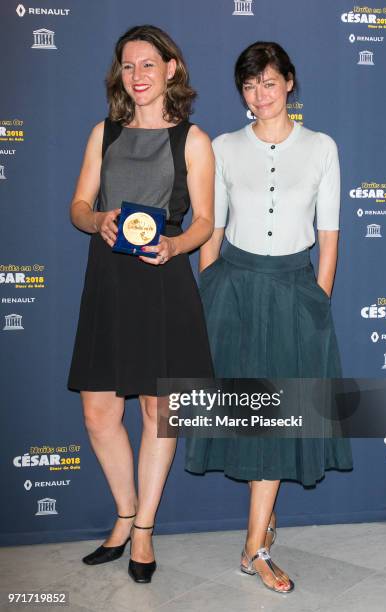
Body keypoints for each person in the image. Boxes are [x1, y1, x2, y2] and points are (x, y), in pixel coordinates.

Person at [185, 41, 353, 594]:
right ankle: (259, 536)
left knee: (280, 418)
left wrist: (316, 300)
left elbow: (328, 238)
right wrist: (210, 289)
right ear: (243, 93)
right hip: (233, 290)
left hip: (294, 292)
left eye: (270, 82)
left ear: (290, 83)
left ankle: (254, 544)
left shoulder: (322, 147)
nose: (261, 94)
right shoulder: (224, 147)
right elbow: (211, 227)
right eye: (250, 86)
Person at [68, 24, 214, 584]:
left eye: (148, 64)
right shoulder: (102, 133)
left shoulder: (193, 140)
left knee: (159, 411)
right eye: (128, 66)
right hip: (108, 280)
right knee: (99, 411)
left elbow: (204, 220)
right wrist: (97, 219)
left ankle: (145, 530)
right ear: (119, 75)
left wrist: (176, 244)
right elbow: (79, 205)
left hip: (161, 280)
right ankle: (124, 516)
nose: (138, 76)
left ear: (171, 69)